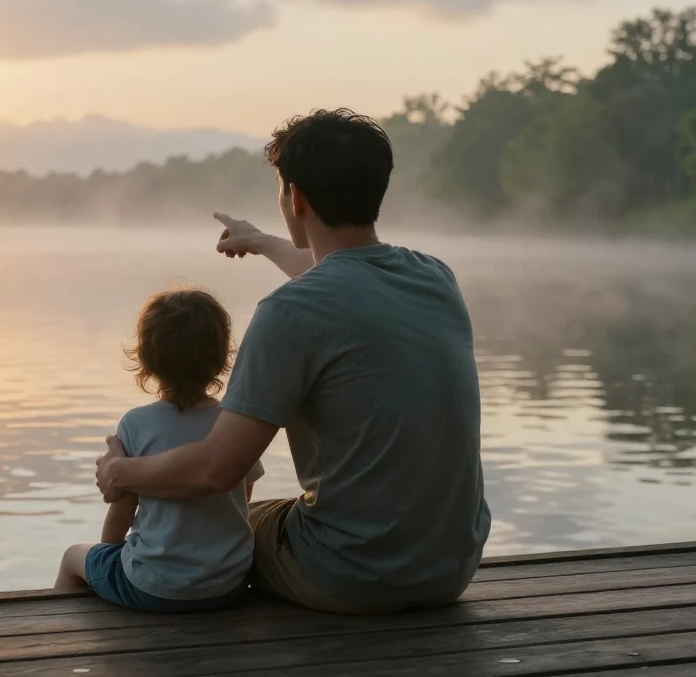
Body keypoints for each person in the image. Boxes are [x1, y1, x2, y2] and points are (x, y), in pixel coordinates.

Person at [95, 108, 491, 614]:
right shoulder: (435, 277)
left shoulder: (290, 311)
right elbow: (339, 271)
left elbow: (217, 469)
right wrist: (260, 242)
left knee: (218, 533)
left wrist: (122, 472)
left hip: (353, 576)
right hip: (450, 569)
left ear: (295, 196)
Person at [55, 288, 265, 613]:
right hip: (228, 584)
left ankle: (61, 637)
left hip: (154, 587)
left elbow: (122, 511)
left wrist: (107, 556)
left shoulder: (135, 425)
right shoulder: (233, 425)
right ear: (222, 357)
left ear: (146, 359)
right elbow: (243, 497)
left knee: (73, 557)